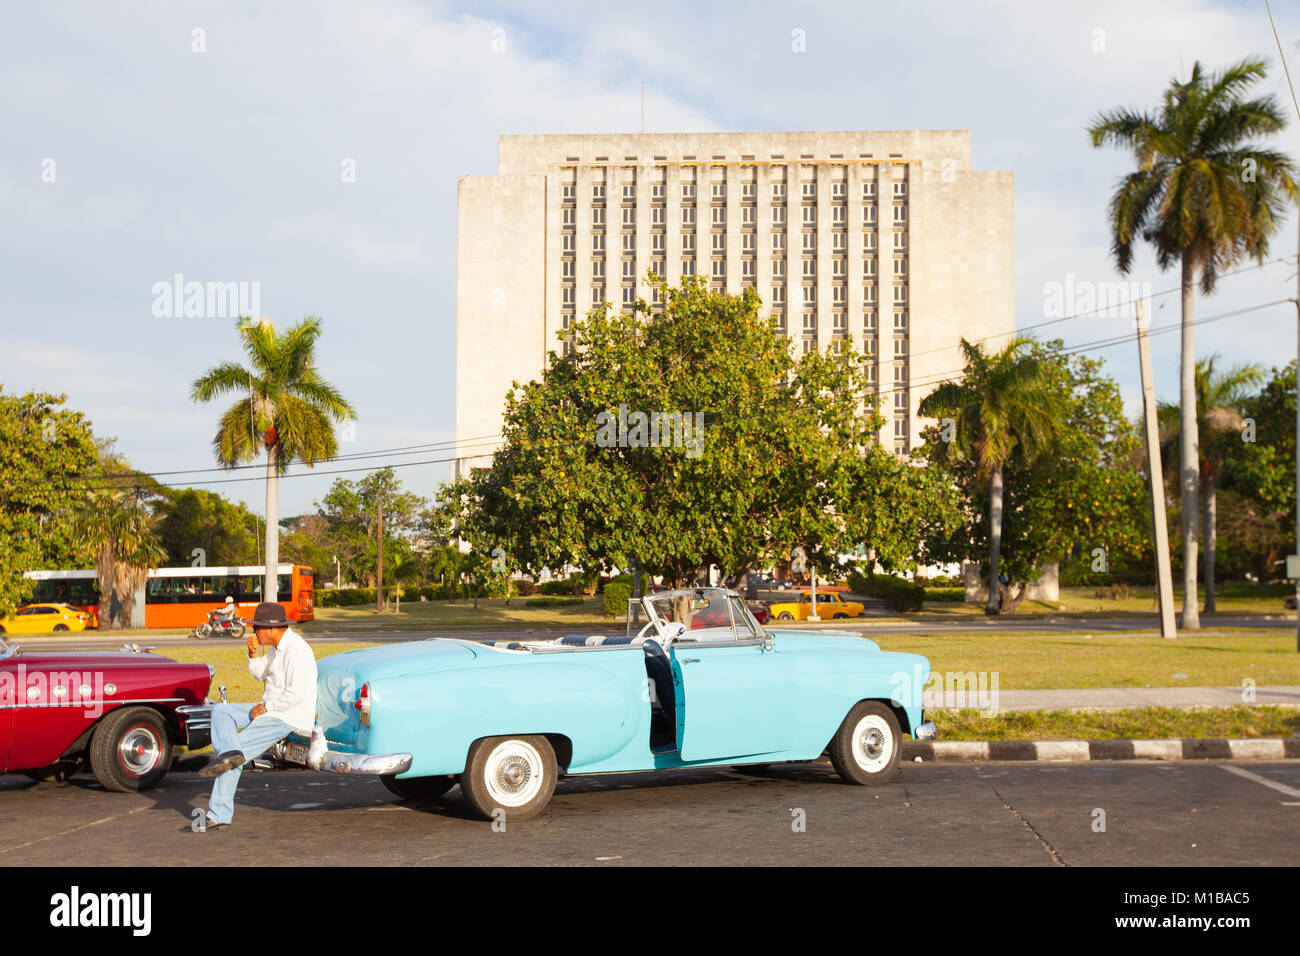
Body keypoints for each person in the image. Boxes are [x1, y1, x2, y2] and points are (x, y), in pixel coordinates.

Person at [191, 602, 318, 832]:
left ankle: (219, 814)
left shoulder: (296, 651)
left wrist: (266, 707)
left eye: (256, 627)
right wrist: (252, 654)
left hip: (286, 716)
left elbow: (295, 695)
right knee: (221, 712)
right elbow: (261, 674)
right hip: (270, 710)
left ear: (271, 628)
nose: (253, 632)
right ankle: (231, 753)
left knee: (234, 754)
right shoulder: (277, 648)